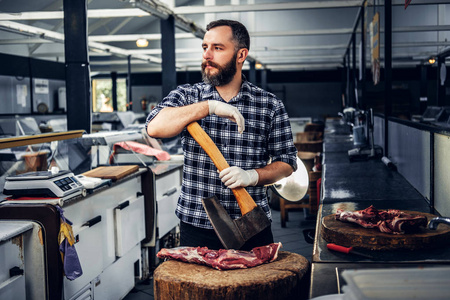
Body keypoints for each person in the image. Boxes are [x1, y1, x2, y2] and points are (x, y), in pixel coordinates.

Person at [146, 19, 297, 251]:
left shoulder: (269, 105)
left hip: (252, 223)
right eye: (205, 47)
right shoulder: (187, 97)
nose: (208, 55)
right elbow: (154, 127)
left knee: (255, 287)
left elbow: (287, 163)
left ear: (241, 55)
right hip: (197, 226)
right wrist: (208, 107)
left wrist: (252, 176)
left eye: (218, 48)